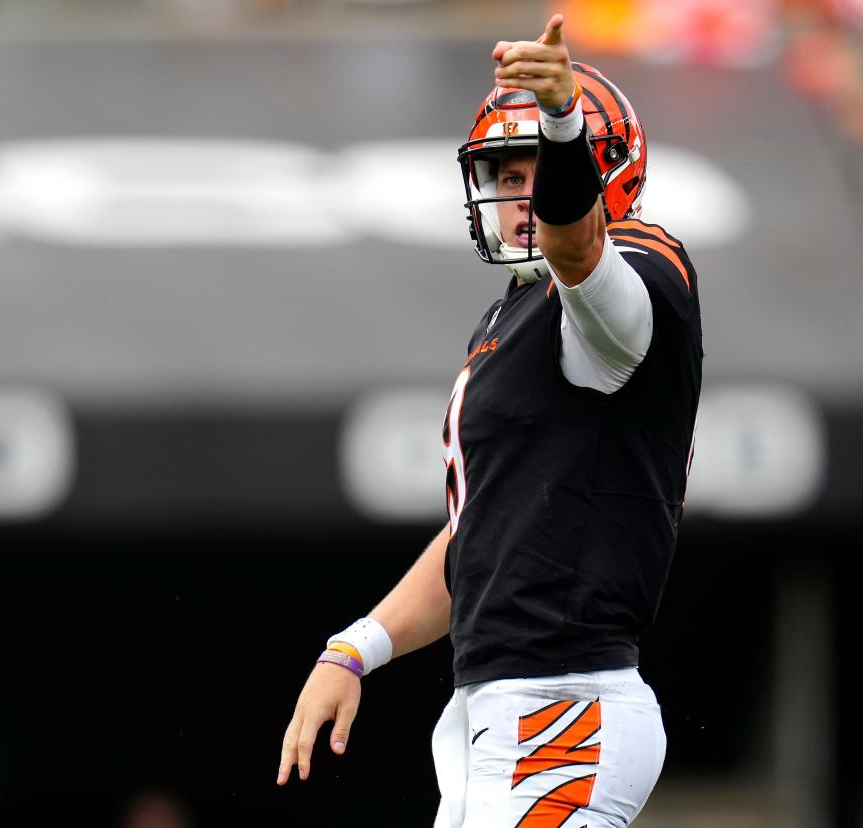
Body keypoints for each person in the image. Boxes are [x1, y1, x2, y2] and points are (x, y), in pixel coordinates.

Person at [278, 13, 702, 827]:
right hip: (492, 707)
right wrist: (356, 647)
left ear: (596, 167)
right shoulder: (514, 316)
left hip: (564, 703)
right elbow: (487, 530)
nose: (517, 195)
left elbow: (582, 256)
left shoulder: (641, 271)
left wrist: (562, 121)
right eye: (504, 174)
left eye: (535, 170)